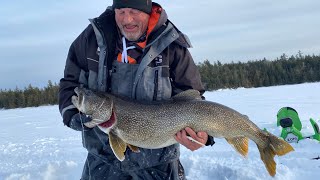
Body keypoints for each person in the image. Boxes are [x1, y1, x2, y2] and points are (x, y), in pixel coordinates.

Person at [59, 0, 215, 179]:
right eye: (121, 11)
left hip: (159, 163)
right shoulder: (92, 38)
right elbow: (70, 84)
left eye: (134, 11)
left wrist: (202, 135)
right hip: (102, 159)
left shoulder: (171, 44)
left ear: (148, 11)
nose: (127, 19)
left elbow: (193, 100)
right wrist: (72, 115)